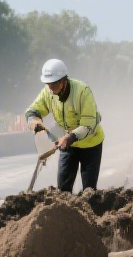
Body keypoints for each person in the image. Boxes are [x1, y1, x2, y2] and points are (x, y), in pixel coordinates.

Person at [25, 58, 104, 192]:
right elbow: (32, 111)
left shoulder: (82, 91)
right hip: (68, 144)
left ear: (63, 81)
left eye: (53, 84)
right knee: (63, 190)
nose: (50, 87)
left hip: (90, 144)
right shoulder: (47, 92)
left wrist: (69, 137)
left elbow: (88, 124)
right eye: (48, 84)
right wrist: (35, 123)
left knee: (89, 190)